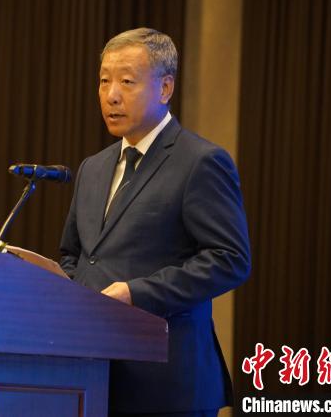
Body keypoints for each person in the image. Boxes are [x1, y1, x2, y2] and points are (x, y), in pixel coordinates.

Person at [59, 27, 251, 417]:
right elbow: (73, 256)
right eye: (104, 81)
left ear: (165, 88)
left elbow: (229, 260)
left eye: (127, 82)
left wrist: (137, 293)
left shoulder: (200, 161)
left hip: (165, 380)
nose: (111, 95)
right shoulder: (93, 168)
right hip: (91, 373)